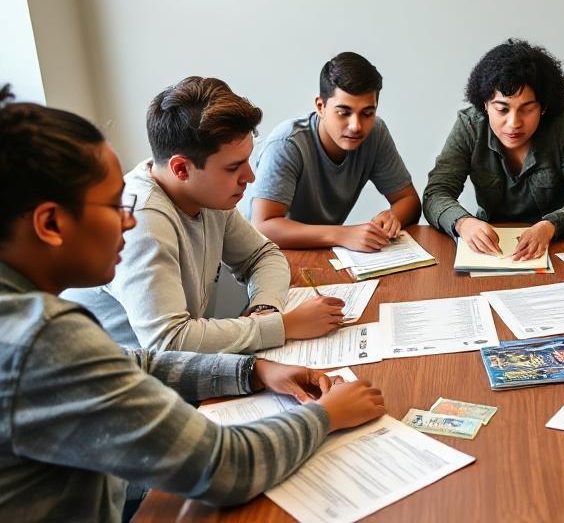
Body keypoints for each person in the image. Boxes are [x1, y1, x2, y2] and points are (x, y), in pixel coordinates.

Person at [0, 85, 386, 522]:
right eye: (112, 205)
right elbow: (224, 467)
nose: (127, 220)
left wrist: (252, 370)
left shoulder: (26, 318)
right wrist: (325, 416)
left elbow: (130, 360)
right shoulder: (42, 338)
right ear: (50, 223)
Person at [64, 77, 345, 352]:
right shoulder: (142, 223)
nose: (249, 177)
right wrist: (283, 326)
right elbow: (169, 342)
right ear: (181, 169)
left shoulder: (208, 196)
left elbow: (263, 255)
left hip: (185, 369)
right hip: (131, 377)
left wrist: (265, 310)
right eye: (233, 167)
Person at [423, 38, 564, 260]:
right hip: (491, 249)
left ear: (544, 107)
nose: (514, 123)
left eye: (527, 109)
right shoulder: (470, 125)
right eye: (502, 109)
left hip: (556, 244)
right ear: (485, 105)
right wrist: (463, 223)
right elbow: (436, 193)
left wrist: (549, 226)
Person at [247, 52, 421, 250]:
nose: (356, 126)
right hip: (264, 254)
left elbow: (409, 200)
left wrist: (392, 217)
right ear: (320, 106)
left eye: (367, 113)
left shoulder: (375, 133)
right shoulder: (287, 143)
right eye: (343, 113)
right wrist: (342, 234)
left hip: (322, 251)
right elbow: (262, 227)